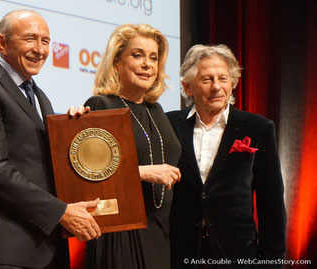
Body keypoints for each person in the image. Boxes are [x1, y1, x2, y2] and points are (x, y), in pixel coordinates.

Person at [0, 10, 101, 269]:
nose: (40, 49)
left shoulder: (40, 97)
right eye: (30, 39)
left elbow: (44, 163)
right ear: (2, 43)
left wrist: (74, 131)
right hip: (5, 252)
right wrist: (61, 212)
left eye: (45, 41)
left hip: (46, 248)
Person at [167, 44, 287, 268]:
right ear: (188, 86)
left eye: (223, 78)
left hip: (237, 254)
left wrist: (272, 262)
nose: (216, 87)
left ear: (232, 83)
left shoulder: (257, 128)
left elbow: (271, 205)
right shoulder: (168, 125)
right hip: (179, 253)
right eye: (207, 79)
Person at [83, 24, 182, 269]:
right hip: (119, 233)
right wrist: (143, 172)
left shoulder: (157, 110)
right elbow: (89, 176)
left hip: (159, 230)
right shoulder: (101, 104)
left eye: (154, 57)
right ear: (116, 62)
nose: (148, 64)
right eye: (137, 55)